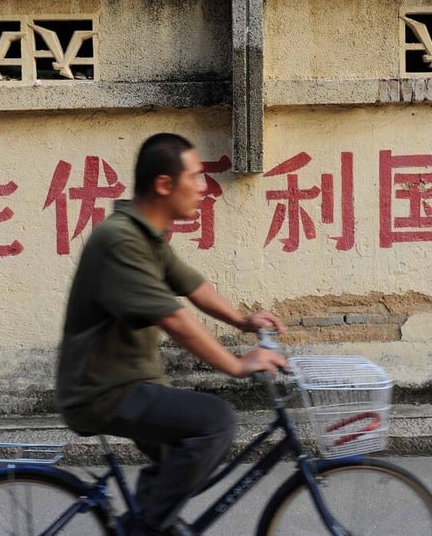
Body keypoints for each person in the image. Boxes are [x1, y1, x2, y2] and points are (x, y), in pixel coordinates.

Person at [56, 132, 289, 536]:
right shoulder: (120, 241)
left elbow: (193, 286)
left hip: (130, 383)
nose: (204, 187)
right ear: (164, 184)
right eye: (196, 176)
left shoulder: (146, 236)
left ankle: (148, 523)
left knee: (175, 468)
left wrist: (242, 321)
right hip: (102, 391)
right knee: (215, 421)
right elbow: (176, 320)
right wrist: (236, 365)